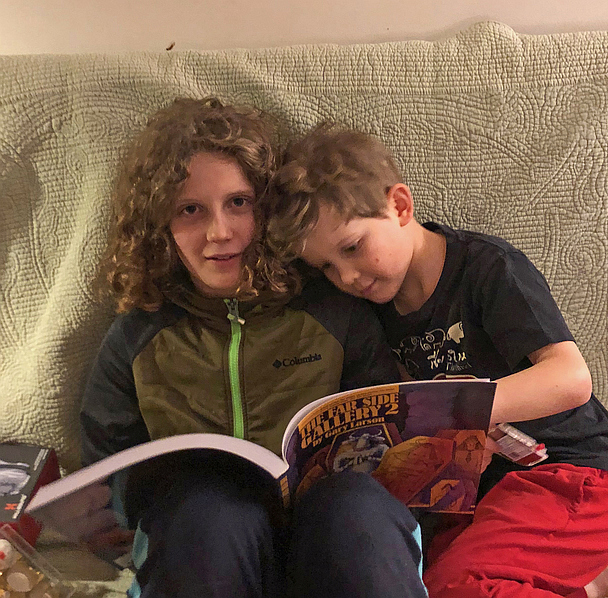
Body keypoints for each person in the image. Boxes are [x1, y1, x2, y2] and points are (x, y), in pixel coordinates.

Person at [80, 99, 428, 598]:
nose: (219, 232)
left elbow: (390, 432)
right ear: (160, 225)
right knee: (207, 515)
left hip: (328, 535)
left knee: (354, 507)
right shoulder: (138, 335)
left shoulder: (334, 311)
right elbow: (106, 462)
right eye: (190, 210)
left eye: (239, 203)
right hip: (209, 542)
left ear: (267, 209)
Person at [267, 123, 608, 598]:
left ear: (399, 206)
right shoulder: (371, 312)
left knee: (459, 587)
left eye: (352, 247)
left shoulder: (488, 268)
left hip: (573, 471)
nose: (346, 276)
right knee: (422, 583)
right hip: (483, 494)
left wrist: (461, 410)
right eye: (326, 266)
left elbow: (571, 379)